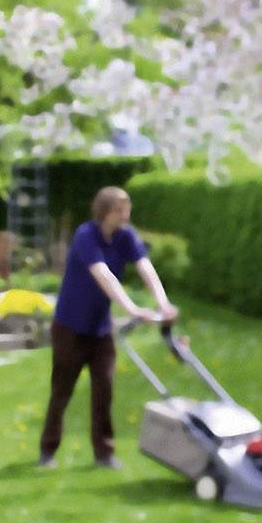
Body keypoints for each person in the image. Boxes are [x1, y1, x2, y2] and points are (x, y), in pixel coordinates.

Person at [39, 186, 178, 469]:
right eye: (119, 210)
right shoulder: (86, 235)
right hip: (70, 327)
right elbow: (104, 276)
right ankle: (48, 451)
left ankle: (104, 454)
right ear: (104, 211)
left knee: (104, 390)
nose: (125, 215)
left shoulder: (126, 236)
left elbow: (145, 267)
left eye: (127, 209)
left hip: (100, 330)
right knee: (62, 390)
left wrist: (163, 303)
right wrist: (133, 309)